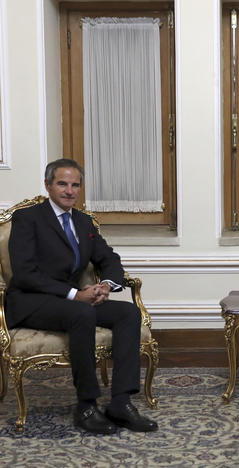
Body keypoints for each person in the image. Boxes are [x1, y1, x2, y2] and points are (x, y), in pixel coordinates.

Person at [6, 159, 158, 435]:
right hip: (31, 301)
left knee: (128, 313)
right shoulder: (28, 219)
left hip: (71, 302)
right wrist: (76, 294)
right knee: (82, 312)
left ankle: (120, 403)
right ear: (48, 185)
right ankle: (86, 405)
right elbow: (25, 273)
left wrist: (107, 286)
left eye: (75, 185)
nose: (69, 191)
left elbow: (108, 258)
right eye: (62, 184)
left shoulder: (83, 221)